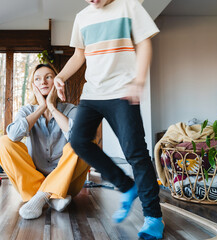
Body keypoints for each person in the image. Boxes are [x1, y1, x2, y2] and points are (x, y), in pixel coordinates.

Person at [53, 0, 164, 239]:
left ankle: (153, 217)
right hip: (92, 93)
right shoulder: (82, 16)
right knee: (78, 141)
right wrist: (60, 76)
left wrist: (139, 81)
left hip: (122, 91)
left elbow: (144, 44)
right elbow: (79, 54)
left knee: (135, 153)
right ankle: (126, 185)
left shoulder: (129, 7)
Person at [0, 64, 90, 220]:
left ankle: (45, 195)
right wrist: (41, 108)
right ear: (33, 86)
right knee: (3, 142)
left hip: (67, 182)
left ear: (57, 82)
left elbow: (77, 138)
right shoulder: (27, 111)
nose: (43, 82)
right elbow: (13, 135)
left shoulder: (71, 110)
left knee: (84, 141)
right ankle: (53, 197)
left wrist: (51, 107)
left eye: (48, 77)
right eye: (37, 79)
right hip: (32, 182)